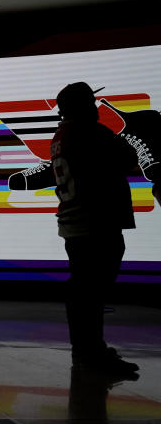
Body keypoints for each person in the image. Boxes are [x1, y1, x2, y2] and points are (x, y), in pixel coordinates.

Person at [50, 82, 140, 378]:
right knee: (90, 293)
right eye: (91, 102)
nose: (96, 107)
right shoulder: (92, 133)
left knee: (83, 290)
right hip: (96, 223)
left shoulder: (62, 135)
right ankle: (93, 353)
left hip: (74, 223)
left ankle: (87, 351)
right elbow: (128, 160)